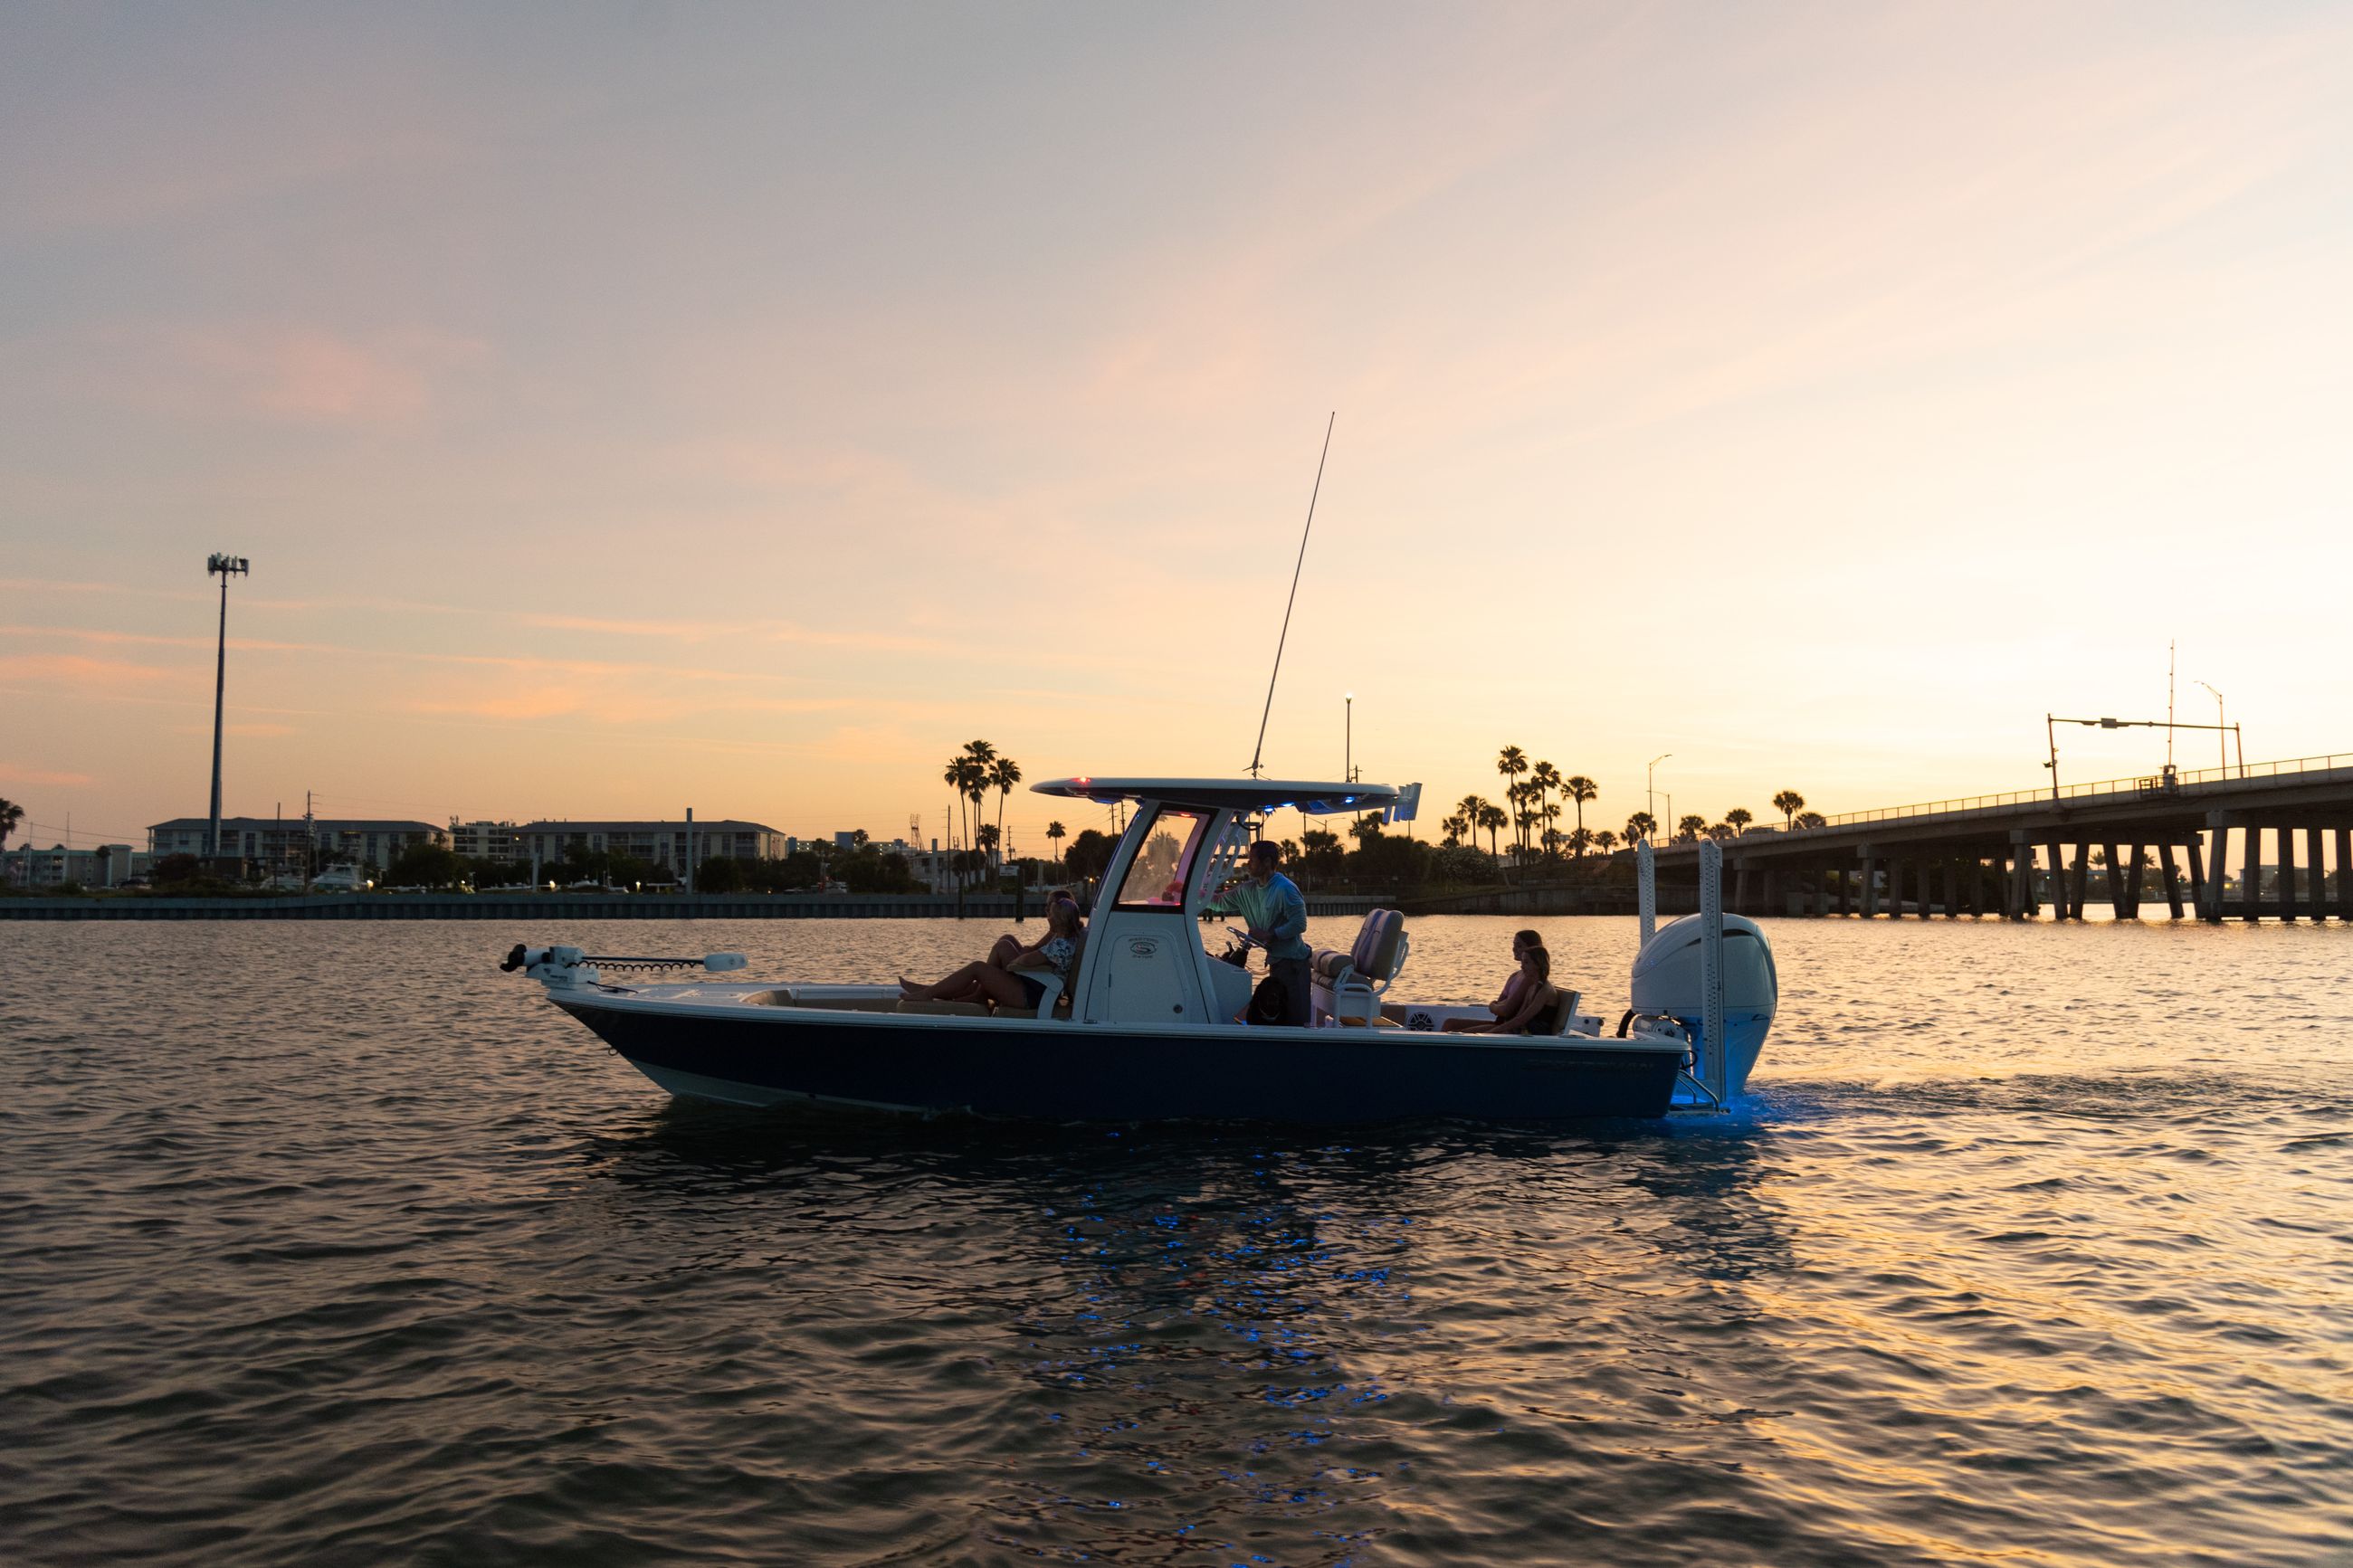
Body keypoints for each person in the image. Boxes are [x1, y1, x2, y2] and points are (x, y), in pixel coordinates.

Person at [901, 898, 1084, 1012]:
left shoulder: (1061, 945)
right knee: (999, 951)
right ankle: (931, 990)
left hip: (1033, 995)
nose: (1047, 918)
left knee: (978, 968)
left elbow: (1025, 961)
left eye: (1050, 914)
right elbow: (1034, 956)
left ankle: (929, 993)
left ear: (1060, 920)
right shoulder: (1066, 938)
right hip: (1035, 988)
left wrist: (1016, 962)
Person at [1219, 839, 1311, 1026]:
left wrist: (1270, 935)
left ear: (1267, 862)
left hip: (1293, 964)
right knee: (1280, 1015)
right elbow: (1219, 902)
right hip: (1276, 962)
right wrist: (1188, 894)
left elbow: (1299, 923)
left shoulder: (1285, 888)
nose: (1248, 864)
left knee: (1293, 1019)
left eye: (1252, 860)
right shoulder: (1249, 890)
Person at [1446, 945, 1560, 1034]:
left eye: (1526, 962)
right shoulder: (1532, 987)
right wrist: (1497, 1028)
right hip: (1522, 1030)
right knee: (1458, 1032)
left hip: (1536, 1033)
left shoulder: (1545, 990)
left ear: (1538, 965)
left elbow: (1523, 1019)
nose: (1522, 966)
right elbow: (1519, 1017)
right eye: (1522, 962)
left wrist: (1494, 1030)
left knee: (1486, 1033)